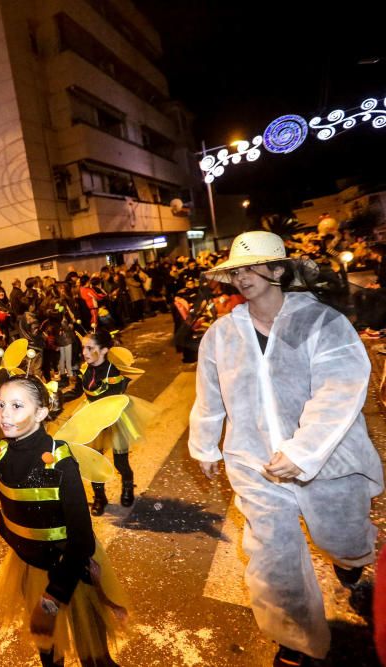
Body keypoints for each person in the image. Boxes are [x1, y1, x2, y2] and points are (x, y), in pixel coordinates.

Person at [189, 231, 383, 667]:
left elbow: (341, 387)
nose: (242, 277)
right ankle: (296, 640)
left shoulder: (322, 323)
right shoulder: (222, 334)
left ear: (277, 270)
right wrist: (205, 445)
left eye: (252, 267)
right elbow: (209, 394)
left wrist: (303, 450)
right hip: (253, 461)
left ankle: (351, 560)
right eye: (236, 270)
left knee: (342, 536)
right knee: (272, 553)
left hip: (327, 459)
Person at [0, 376, 126, 666]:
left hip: (70, 568)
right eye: (1, 405)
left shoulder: (59, 462)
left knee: (94, 657)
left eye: (17, 406)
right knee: (48, 649)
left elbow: (81, 539)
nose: (5, 414)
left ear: (42, 413)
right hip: (30, 566)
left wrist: (53, 597)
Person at [69, 331, 154, 515]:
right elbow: (77, 392)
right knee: (93, 461)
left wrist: (103, 419)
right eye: (84, 347)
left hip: (114, 418)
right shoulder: (85, 368)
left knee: (120, 463)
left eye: (90, 348)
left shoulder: (114, 372)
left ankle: (128, 486)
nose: (84, 352)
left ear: (105, 350)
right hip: (92, 416)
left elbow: (114, 398)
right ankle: (100, 497)